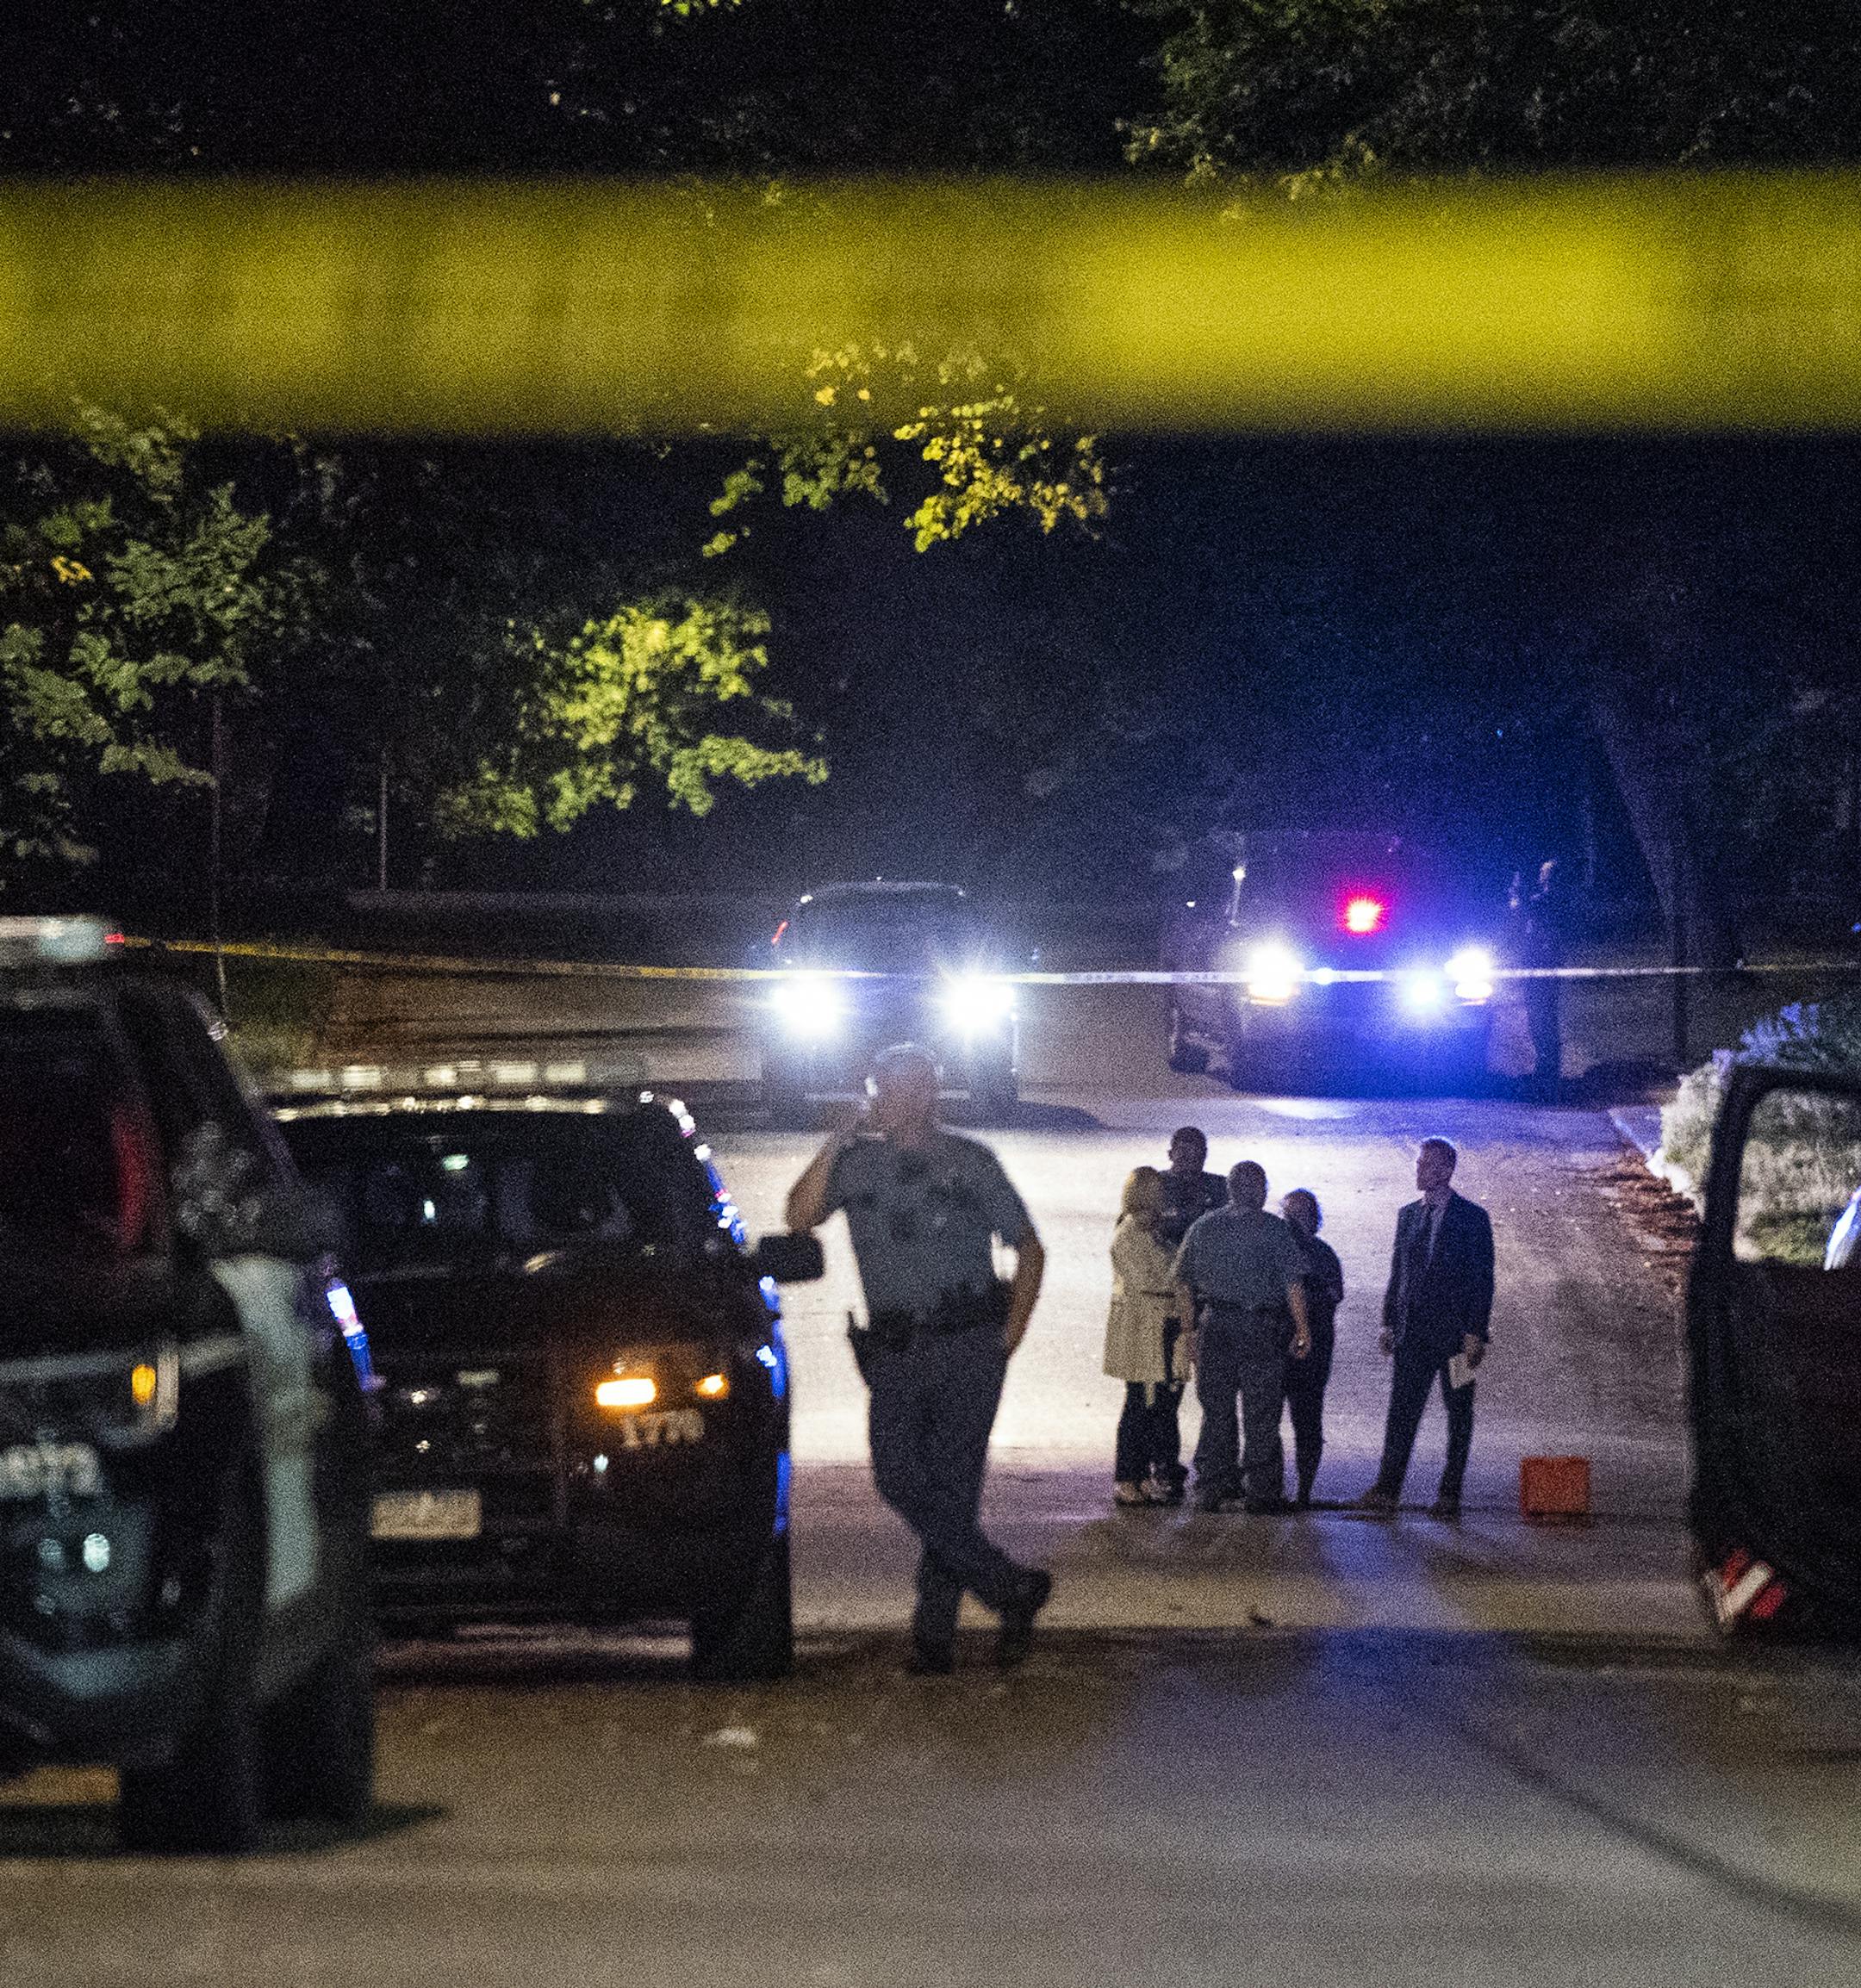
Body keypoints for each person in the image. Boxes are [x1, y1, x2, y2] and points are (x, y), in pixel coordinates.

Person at [785, 1042, 1051, 1673]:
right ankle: (1010, 1587)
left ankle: (934, 1641)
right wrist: (837, 1139)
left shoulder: (970, 1161)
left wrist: (1009, 1336)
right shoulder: (856, 1165)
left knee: (953, 1494)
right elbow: (798, 1217)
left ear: (931, 1092)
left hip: (967, 1343)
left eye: (912, 1087)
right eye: (887, 1088)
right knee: (898, 1478)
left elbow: (1029, 1249)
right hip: (897, 1350)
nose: (898, 1099)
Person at [1355, 1137, 1495, 1519]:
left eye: (1427, 1164)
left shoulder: (1472, 1219)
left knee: (1459, 1414)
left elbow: (1482, 1280)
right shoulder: (1408, 1215)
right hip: (1413, 1334)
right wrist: (1388, 1321)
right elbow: (1398, 1273)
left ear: (1446, 1170)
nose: (1419, 1170)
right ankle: (1388, 1488)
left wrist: (1475, 1332)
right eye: (1418, 1163)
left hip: (1456, 1339)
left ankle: (1449, 1494)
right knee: (1402, 1412)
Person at [1172, 1160, 1310, 1513]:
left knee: (1217, 1410)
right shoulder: (1275, 1230)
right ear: (1261, 1190)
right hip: (1261, 1327)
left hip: (1216, 1324)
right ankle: (1262, 1491)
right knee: (1261, 1412)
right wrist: (1302, 1328)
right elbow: (1293, 1284)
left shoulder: (1204, 1227)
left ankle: (1214, 1485)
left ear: (1230, 1189)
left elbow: (1182, 1282)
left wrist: (1189, 1331)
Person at [1104, 1166, 1191, 1507]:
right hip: (1147, 1328)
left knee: (1156, 1404)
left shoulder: (1150, 1232)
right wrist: (1183, 1282)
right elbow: (1154, 1281)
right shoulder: (1130, 1234)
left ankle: (1146, 1474)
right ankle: (1129, 1476)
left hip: (1158, 1325)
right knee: (1142, 1403)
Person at [1279, 1189, 1344, 1507]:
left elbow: (1333, 1296)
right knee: (1269, 1419)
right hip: (1283, 1346)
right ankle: (1272, 1486)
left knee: (1306, 1421)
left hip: (1311, 1350)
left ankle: (1303, 1490)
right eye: (1291, 1215)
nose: (1295, 1222)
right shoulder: (1313, 1253)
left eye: (1301, 1215)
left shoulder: (1323, 1254)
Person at [1521, 858, 1570, 1098]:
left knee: (1544, 1021)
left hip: (1544, 969)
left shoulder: (1552, 900)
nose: (1541, 875)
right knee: (1538, 1021)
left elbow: (1528, 910)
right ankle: (1545, 1070)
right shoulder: (1544, 899)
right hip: (1536, 967)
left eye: (1545, 872)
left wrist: (1517, 898)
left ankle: (1549, 1075)